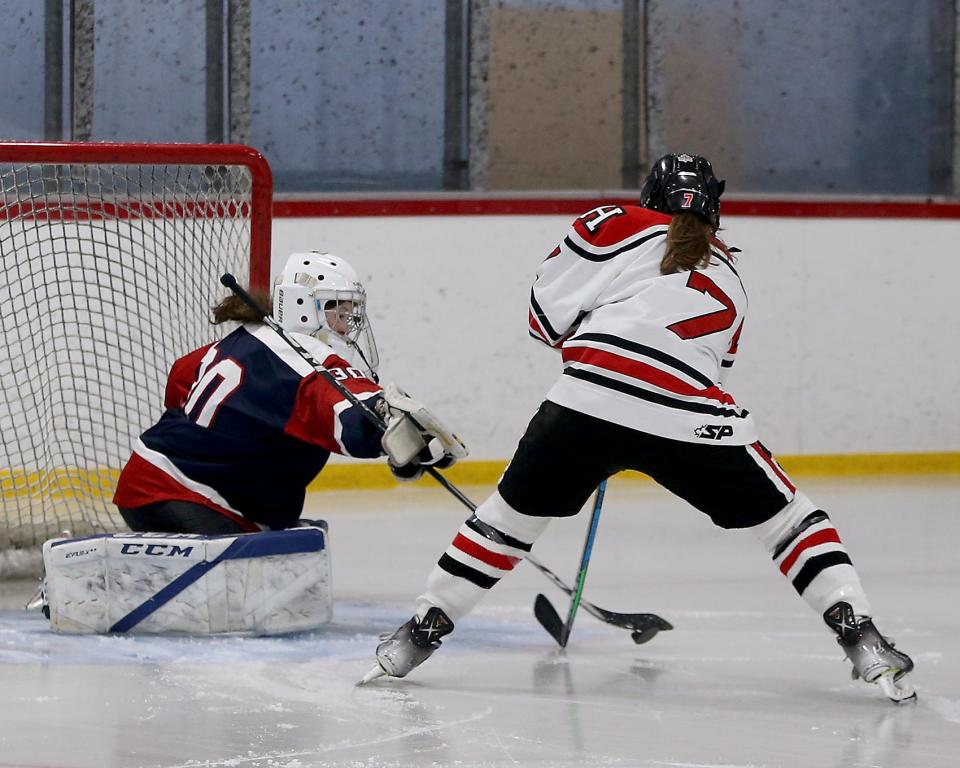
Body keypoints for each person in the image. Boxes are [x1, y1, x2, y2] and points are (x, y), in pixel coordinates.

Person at [362, 154, 916, 703]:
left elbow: (543, 319)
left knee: (505, 524)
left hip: (584, 402)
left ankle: (418, 635)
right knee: (792, 521)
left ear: (650, 194)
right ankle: (861, 635)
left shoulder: (613, 222)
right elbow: (707, 367)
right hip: (688, 415)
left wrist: (596, 345)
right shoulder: (732, 274)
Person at [113, 251, 465, 535]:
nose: (347, 323)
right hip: (196, 500)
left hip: (145, 482)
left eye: (349, 312)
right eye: (337, 311)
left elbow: (180, 378)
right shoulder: (306, 360)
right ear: (301, 305)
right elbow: (353, 416)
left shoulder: (251, 336)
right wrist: (397, 435)